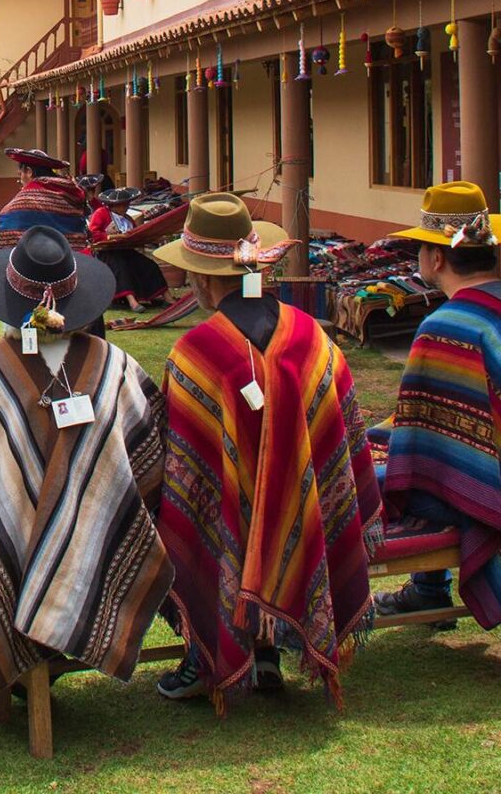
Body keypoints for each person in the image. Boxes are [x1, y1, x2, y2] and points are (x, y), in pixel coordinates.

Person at [0, 226, 174, 691]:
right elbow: (153, 456)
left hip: (21, 539)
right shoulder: (117, 368)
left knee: (4, 528)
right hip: (96, 525)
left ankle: (31, 649)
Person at [151, 193, 383, 710]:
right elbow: (344, 433)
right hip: (305, 507)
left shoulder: (196, 354)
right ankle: (267, 653)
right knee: (281, 509)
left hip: (236, 504)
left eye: (193, 275)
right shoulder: (314, 337)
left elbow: (182, 467)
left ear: (206, 279)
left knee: (200, 514)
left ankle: (207, 656)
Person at [374, 181, 501, 627]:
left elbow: (418, 440)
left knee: (385, 476)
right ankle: (429, 591)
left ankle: (428, 591)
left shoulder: (445, 327)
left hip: (490, 494)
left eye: (422, 249)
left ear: (438, 257)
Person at [0, 148, 86, 251]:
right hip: (73, 261)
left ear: (29, 172)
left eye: (20, 174)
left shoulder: (23, 202)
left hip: (36, 264)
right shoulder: (70, 194)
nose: (20, 180)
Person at [87, 186, 168, 312]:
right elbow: (93, 234)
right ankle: (133, 302)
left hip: (126, 251)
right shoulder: (101, 213)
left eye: (127, 204)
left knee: (149, 265)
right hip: (107, 253)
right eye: (123, 204)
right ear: (114, 205)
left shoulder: (128, 219)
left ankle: (167, 297)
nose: (126, 207)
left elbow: (134, 234)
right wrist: (110, 235)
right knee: (121, 267)